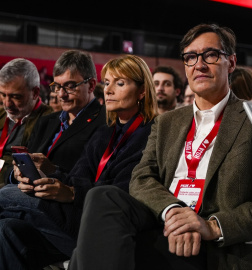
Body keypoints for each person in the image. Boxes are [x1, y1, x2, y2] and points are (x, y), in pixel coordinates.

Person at [67, 23, 252, 270]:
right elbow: (141, 177)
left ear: (232, 62)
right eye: (191, 57)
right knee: (102, 195)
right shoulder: (167, 121)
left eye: (211, 55)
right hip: (162, 220)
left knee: (84, 254)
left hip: (212, 243)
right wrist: (173, 211)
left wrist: (212, 226)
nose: (200, 64)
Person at [0, 54, 158, 270]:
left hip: (97, 223)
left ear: (142, 91)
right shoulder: (106, 133)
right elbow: (77, 176)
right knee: (6, 229)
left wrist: (72, 192)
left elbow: (124, 192)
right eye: (108, 83)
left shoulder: (152, 134)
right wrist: (51, 172)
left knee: (4, 194)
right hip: (73, 212)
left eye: (120, 83)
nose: (109, 90)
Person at [6, 49, 106, 185]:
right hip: (27, 191)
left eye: (70, 86)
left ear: (91, 85)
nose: (61, 94)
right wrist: (17, 174)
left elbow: (93, 179)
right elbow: (25, 163)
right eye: (57, 87)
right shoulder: (45, 121)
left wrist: (54, 171)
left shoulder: (105, 121)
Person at [0, 58, 53, 188]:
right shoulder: (1, 113)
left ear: (35, 93)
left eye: (15, 96)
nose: (7, 103)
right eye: (2, 95)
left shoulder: (51, 121)